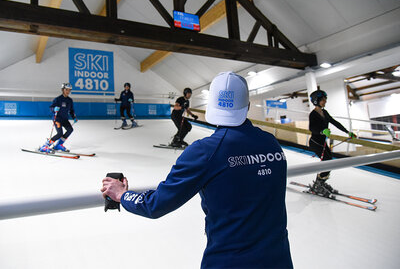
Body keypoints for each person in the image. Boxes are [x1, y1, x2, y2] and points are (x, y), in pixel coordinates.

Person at [101, 72, 293, 268]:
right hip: (279, 259)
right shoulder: (271, 143)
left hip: (229, 261)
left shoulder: (205, 151)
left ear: (211, 106)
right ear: (248, 106)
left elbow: (155, 204)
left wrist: (123, 195)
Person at [309, 90, 356, 196]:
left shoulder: (324, 112)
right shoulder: (313, 114)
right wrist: (322, 131)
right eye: (323, 100)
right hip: (315, 142)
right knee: (327, 160)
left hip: (322, 142)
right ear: (317, 101)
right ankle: (318, 184)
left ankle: (319, 183)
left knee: (329, 161)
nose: (325, 101)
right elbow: (311, 128)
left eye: (325, 99)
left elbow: (335, 122)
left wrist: (347, 132)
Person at [39, 82, 77, 153]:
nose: (68, 91)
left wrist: (74, 117)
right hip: (57, 119)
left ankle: (59, 145)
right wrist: (54, 109)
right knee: (59, 133)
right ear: (63, 90)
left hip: (65, 119)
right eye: (66, 90)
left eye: (69, 90)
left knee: (70, 130)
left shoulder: (70, 100)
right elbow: (51, 107)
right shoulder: (58, 99)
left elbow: (71, 110)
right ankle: (45, 146)